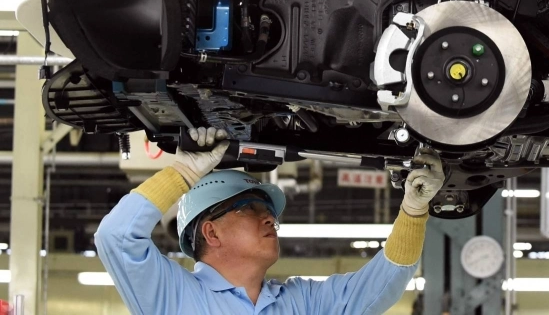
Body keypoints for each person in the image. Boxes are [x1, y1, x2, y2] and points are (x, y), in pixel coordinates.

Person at [96, 127, 445, 314]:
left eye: (270, 211)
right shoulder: (172, 296)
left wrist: (413, 210)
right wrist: (182, 172)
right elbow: (116, 237)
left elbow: (379, 285)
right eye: (250, 207)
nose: (270, 218)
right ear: (211, 232)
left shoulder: (301, 303)